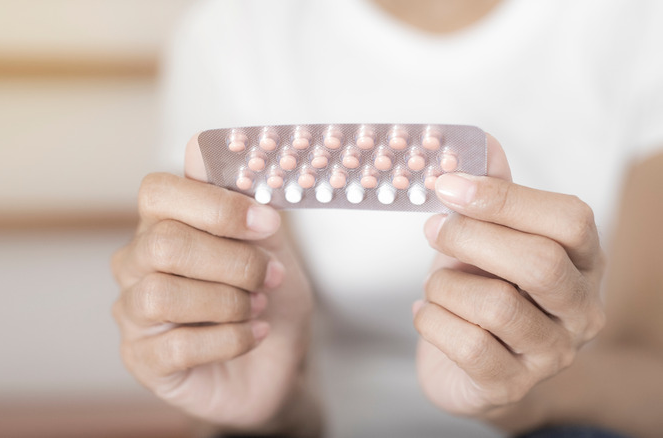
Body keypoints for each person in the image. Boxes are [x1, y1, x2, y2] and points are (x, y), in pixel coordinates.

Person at [111, 1, 663, 437]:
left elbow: (650, 374)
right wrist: (269, 411)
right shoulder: (236, 30)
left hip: (563, 417)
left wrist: (519, 395)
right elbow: (236, 380)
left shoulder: (638, 23)